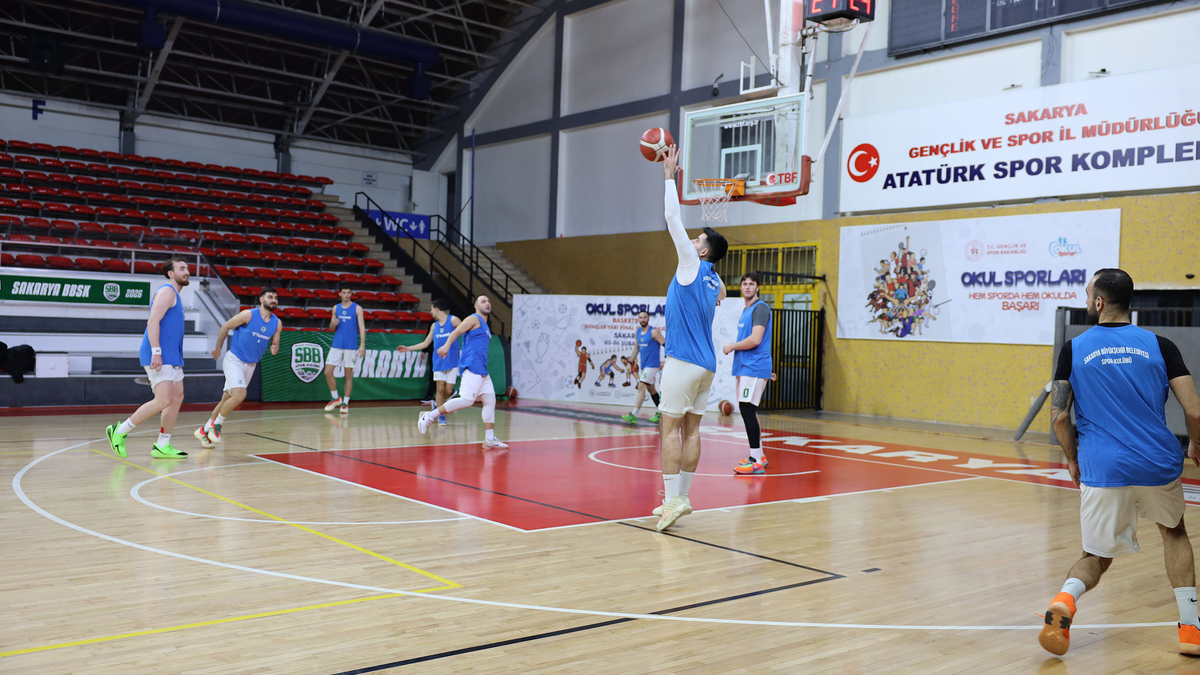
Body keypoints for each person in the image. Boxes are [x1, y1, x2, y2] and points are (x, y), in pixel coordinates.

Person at [1038, 268, 1200, 657]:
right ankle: (1191, 630)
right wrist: (1195, 442)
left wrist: (1072, 459)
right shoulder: (1161, 345)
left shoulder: (1074, 349)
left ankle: (1066, 599)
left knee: (1095, 556)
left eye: (1087, 295)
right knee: (1174, 533)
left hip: (1103, 467)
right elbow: (1194, 410)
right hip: (1157, 462)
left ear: (1098, 302)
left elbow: (1059, 417)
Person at [652, 145, 728, 532]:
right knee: (692, 430)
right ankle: (682, 496)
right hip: (707, 365)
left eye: (697, 240)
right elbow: (723, 292)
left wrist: (669, 176)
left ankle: (672, 501)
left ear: (703, 250)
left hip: (682, 361)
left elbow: (671, 216)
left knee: (668, 430)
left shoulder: (691, 265)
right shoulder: (714, 280)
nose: (693, 242)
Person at [105, 258, 192, 459]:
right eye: (181, 268)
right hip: (161, 354)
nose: (187, 271)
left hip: (173, 356)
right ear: (170, 273)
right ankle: (119, 431)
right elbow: (152, 321)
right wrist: (156, 352)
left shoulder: (176, 296)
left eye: (187, 268)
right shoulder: (167, 292)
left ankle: (162, 445)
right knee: (163, 400)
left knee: (176, 398)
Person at [416, 295, 508, 449]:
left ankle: (489, 439)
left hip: (482, 369)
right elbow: (457, 331)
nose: (487, 303)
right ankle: (429, 416)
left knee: (490, 400)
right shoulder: (474, 319)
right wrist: (446, 346)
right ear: (476, 306)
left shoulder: (485, 326)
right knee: (466, 400)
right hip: (472, 365)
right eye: (483, 301)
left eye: (489, 301)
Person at [194, 287, 282, 447]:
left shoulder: (277, 323)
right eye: (270, 297)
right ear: (261, 299)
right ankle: (216, 424)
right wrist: (218, 348)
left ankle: (204, 430)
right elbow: (225, 327)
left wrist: (274, 348)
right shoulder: (248, 315)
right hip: (234, 359)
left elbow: (275, 343)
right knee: (240, 395)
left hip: (251, 364)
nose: (274, 300)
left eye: (276, 298)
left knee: (226, 399)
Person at [722, 272, 773, 474]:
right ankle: (759, 455)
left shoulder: (760, 308)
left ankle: (756, 460)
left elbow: (756, 339)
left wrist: (731, 346)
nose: (748, 287)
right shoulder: (747, 309)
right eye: (744, 284)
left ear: (758, 287)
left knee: (747, 409)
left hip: (754, 366)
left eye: (752, 284)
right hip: (748, 367)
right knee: (749, 409)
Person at [398, 298, 460, 427]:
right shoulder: (434, 326)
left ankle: (436, 405)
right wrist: (407, 348)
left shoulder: (453, 320)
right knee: (440, 388)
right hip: (438, 361)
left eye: (431, 309)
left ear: (437, 309)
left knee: (449, 390)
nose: (431, 312)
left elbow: (466, 331)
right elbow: (425, 343)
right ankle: (441, 415)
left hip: (452, 361)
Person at [323, 285, 366, 414]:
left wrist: (362, 345)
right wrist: (333, 323)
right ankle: (336, 397)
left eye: (348, 292)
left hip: (351, 346)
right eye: (344, 292)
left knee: (348, 375)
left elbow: (362, 327)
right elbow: (331, 328)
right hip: (337, 344)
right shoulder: (335, 308)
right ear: (340, 294)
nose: (346, 295)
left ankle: (345, 403)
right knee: (327, 372)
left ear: (351, 294)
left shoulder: (357, 308)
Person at [622, 310, 665, 425]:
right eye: (641, 317)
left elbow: (665, 344)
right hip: (644, 366)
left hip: (653, 365)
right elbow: (636, 348)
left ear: (648, 319)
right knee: (651, 389)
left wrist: (671, 359)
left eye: (645, 317)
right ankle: (662, 412)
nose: (643, 319)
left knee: (641, 386)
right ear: (638, 319)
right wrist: (630, 361)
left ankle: (634, 415)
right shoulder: (638, 332)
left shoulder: (654, 332)